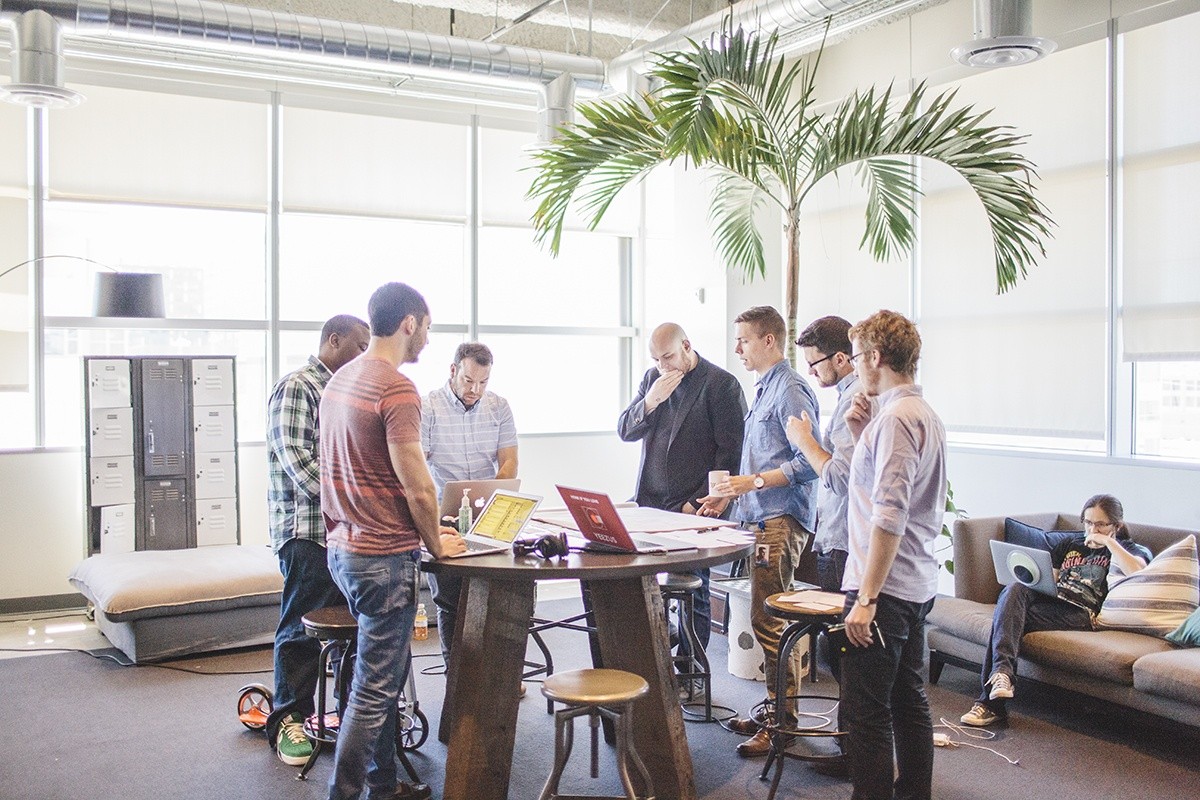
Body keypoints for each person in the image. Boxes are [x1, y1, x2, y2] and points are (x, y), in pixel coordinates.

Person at [319, 282, 466, 800]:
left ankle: (382, 788)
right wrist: (438, 544)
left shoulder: (340, 380)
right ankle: (346, 793)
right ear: (410, 322)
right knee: (374, 691)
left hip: (343, 549)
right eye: (427, 325)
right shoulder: (396, 389)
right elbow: (420, 487)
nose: (428, 336)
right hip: (382, 556)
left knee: (371, 676)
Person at [698, 305, 820, 759]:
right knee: (763, 618)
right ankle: (774, 711)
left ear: (770, 340)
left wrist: (753, 484)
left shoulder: (790, 391)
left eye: (744, 340)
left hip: (780, 521)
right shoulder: (765, 388)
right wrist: (731, 496)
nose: (737, 349)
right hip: (758, 516)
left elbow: (810, 463)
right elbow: (762, 462)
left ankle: (783, 728)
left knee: (769, 622)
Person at [838, 309, 946, 800]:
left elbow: (889, 515)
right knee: (908, 702)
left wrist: (867, 597)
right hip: (914, 583)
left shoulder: (898, 419)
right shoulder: (916, 414)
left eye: (858, 356)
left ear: (876, 357)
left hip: (886, 589)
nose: (856, 366)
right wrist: (863, 435)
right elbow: (887, 489)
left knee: (866, 714)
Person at [264, 314, 370, 766]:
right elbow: (302, 467)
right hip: (307, 532)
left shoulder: (348, 392)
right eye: (361, 345)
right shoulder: (299, 387)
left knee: (351, 631)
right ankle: (288, 719)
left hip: (347, 534)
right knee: (300, 629)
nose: (367, 354)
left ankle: (350, 719)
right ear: (334, 340)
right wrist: (361, 502)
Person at [960, 494, 1150, 728]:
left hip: (1082, 612)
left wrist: (1110, 543)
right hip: (1055, 601)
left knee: (1006, 619)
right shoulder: (1071, 544)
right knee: (1016, 591)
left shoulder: (1128, 548)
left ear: (1117, 526)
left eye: (1100, 524)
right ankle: (1002, 678)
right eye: (1088, 523)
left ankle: (990, 703)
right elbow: (1051, 578)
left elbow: (1138, 570)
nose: (1092, 529)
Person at [617, 322, 746, 658]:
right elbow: (625, 431)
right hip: (649, 502)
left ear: (687, 346)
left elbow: (731, 453)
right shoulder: (652, 380)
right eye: (657, 359)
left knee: (693, 588)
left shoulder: (720, 385)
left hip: (690, 506)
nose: (664, 366)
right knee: (644, 582)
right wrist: (650, 401)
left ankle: (691, 669)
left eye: (669, 357)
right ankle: (654, 658)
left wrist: (696, 503)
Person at [421, 342, 518, 667]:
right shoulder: (428, 408)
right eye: (468, 380)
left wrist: (494, 495)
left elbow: (508, 465)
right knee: (451, 600)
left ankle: (498, 677)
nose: (475, 389)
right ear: (453, 371)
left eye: (483, 382)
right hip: (443, 515)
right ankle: (456, 675)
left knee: (498, 596)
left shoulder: (499, 407)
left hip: (488, 514)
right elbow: (418, 466)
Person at [786, 315, 860, 594]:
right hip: (841, 538)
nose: (811, 372)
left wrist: (805, 442)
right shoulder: (849, 395)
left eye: (814, 364)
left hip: (845, 543)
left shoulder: (855, 400)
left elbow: (841, 478)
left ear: (840, 359)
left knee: (839, 636)